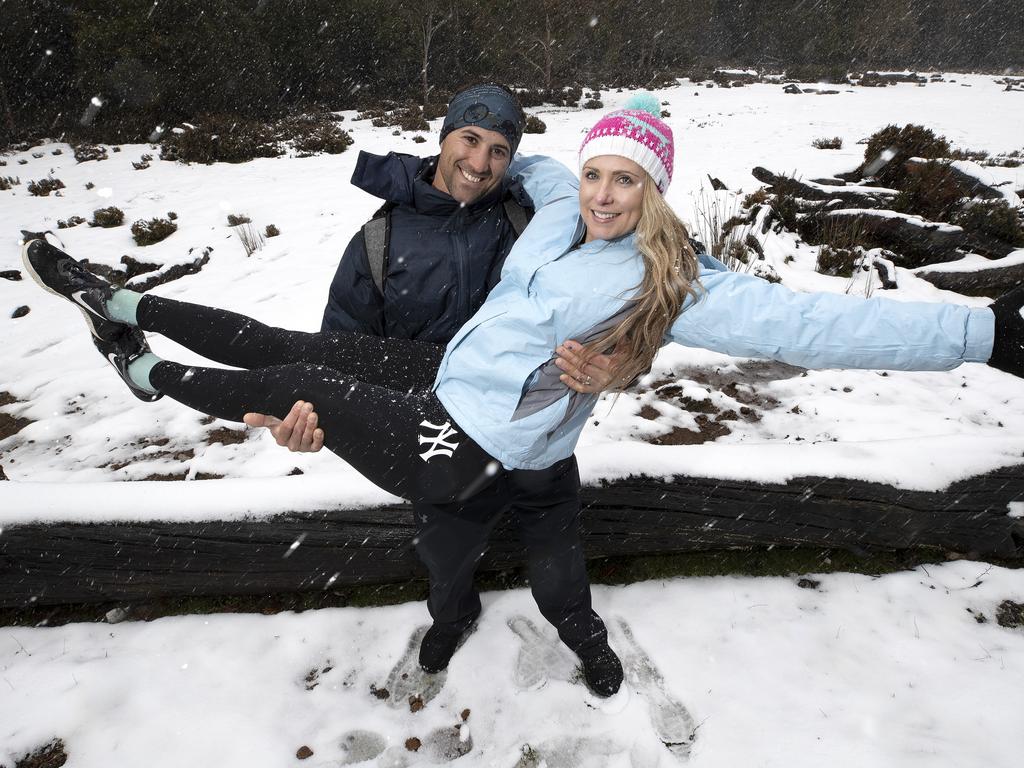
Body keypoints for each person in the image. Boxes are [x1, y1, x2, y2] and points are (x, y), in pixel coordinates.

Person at [20, 98, 1024, 698]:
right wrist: (401, 164)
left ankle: (139, 370)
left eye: (629, 180)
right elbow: (513, 153)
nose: (603, 194)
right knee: (295, 350)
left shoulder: (670, 278)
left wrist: (985, 332)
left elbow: (820, 325)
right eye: (597, 172)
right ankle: (117, 296)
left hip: (473, 442)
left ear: (658, 194)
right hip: (445, 385)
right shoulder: (551, 205)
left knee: (538, 555)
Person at [244, 83, 623, 679]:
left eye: (499, 150)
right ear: (442, 138)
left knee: (558, 551)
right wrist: (299, 414)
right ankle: (452, 617)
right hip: (439, 437)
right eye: (469, 140)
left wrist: (619, 362)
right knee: (446, 555)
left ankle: (580, 627)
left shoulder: (540, 229)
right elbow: (341, 355)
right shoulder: (378, 242)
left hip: (537, 430)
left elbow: (615, 302)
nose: (480, 163)